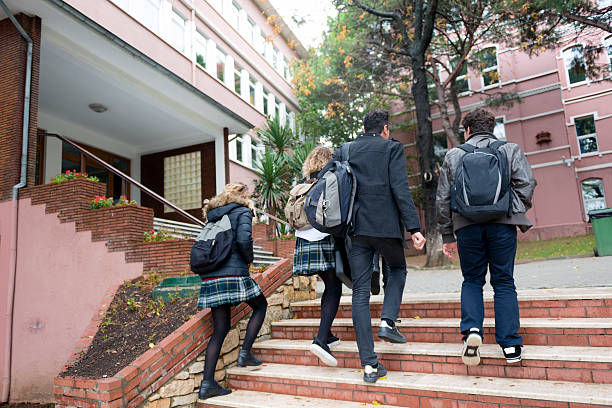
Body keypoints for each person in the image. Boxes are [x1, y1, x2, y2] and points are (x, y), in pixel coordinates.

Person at [435, 108, 537, 366]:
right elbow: (526, 183)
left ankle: (472, 330)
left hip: (466, 227)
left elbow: (443, 198)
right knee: (503, 281)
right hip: (502, 225)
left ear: (467, 130)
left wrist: (448, 234)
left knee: (472, 280)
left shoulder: (454, 155)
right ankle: (511, 346)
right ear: (491, 129)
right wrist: (510, 210)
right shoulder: (509, 149)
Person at [336, 110, 426, 383]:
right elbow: (400, 188)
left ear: (364, 129)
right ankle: (388, 321)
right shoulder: (391, 148)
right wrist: (415, 228)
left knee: (360, 294)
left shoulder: (346, 149)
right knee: (397, 268)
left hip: (356, 229)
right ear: (385, 128)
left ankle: (369, 366)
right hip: (386, 227)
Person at [197, 183, 268, 400]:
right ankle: (245, 354)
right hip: (234, 273)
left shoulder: (213, 215)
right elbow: (244, 240)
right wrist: (248, 260)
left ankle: (207, 384)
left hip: (211, 275)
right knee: (261, 305)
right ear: (244, 196)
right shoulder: (242, 211)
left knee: (220, 329)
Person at [292, 147, 343, 366]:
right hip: (322, 236)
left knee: (328, 283)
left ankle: (327, 333)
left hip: (303, 239)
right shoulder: (329, 178)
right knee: (334, 286)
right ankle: (321, 339)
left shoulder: (302, 182)